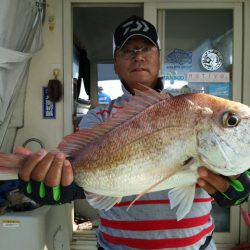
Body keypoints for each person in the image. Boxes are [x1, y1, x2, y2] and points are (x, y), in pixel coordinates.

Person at [17, 16, 250, 249]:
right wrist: (64, 183)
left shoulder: (188, 105)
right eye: (127, 50)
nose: (138, 56)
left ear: (158, 57)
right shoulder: (98, 118)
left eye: (146, 48)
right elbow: (84, 175)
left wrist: (239, 184)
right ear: (116, 63)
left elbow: (232, 167)